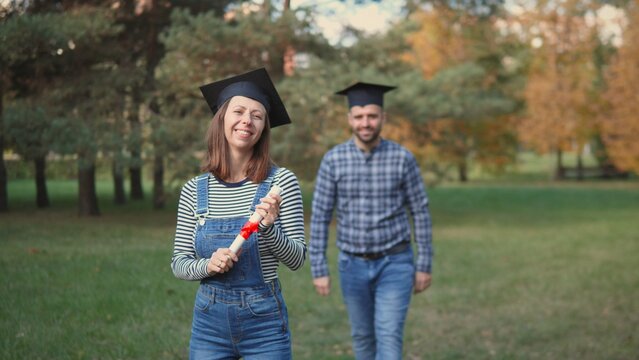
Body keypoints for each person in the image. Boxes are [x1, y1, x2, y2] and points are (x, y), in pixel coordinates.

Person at [171, 68, 306, 360]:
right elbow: (179, 263)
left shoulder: (281, 183)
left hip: (265, 323)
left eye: (257, 115)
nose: (247, 120)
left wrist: (270, 226)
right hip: (209, 323)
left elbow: (297, 260)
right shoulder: (194, 190)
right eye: (239, 111)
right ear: (222, 118)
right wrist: (208, 265)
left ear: (263, 128)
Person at [309, 82, 433, 360]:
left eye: (372, 116)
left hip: (395, 264)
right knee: (362, 337)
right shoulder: (333, 160)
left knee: (388, 336)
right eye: (359, 116)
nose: (366, 123)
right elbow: (320, 216)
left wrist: (423, 264)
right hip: (351, 265)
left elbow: (420, 211)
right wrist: (318, 267)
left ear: (383, 118)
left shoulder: (403, 158)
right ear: (350, 119)